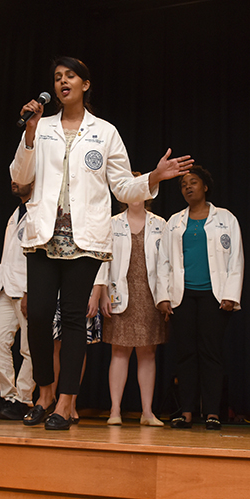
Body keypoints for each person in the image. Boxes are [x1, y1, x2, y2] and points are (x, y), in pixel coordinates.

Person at [12, 56, 192, 431]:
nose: (63, 82)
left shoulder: (105, 132)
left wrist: (153, 178)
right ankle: (43, 393)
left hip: (85, 240)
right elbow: (20, 176)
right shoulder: (40, 127)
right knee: (40, 317)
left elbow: (123, 187)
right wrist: (29, 136)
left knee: (75, 321)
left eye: (70, 76)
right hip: (44, 237)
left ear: (85, 84)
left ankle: (65, 402)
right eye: (58, 77)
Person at [157, 166, 243, 431]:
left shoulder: (226, 218)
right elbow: (164, 263)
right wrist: (163, 296)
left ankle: (213, 412)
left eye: (193, 182)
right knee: (185, 355)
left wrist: (230, 294)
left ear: (205, 186)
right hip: (182, 297)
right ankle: (186, 412)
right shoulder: (174, 221)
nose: (187, 187)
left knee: (210, 354)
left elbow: (236, 259)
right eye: (183, 184)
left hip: (213, 296)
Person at [93, 176, 168, 427]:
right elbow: (103, 260)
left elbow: (168, 264)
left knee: (148, 352)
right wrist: (102, 291)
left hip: (149, 296)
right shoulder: (112, 223)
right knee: (119, 350)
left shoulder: (161, 224)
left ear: (148, 193)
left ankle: (147, 412)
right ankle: (115, 410)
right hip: (119, 293)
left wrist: (166, 297)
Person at [0, 179, 35, 421]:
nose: (13, 182)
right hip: (5, 286)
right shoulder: (17, 211)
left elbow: (37, 256)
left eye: (21, 178)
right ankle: (9, 396)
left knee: (29, 349)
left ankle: (24, 399)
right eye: (12, 178)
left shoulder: (39, 210)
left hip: (26, 287)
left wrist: (29, 291)